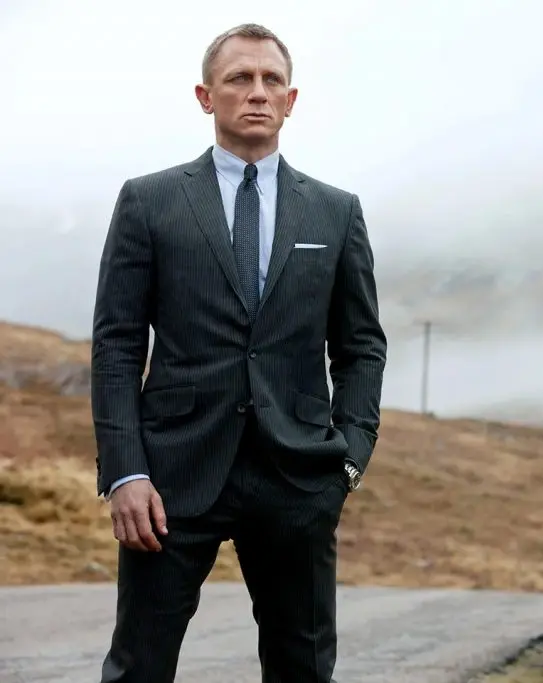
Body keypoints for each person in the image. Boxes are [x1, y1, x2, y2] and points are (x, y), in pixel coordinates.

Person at [89, 22, 387, 683]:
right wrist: (125, 471)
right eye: (238, 79)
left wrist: (349, 457)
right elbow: (115, 344)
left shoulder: (336, 213)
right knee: (137, 666)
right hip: (169, 479)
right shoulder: (150, 201)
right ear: (205, 96)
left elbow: (361, 344)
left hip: (298, 476)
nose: (256, 92)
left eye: (270, 80)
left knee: (302, 666)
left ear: (291, 98)